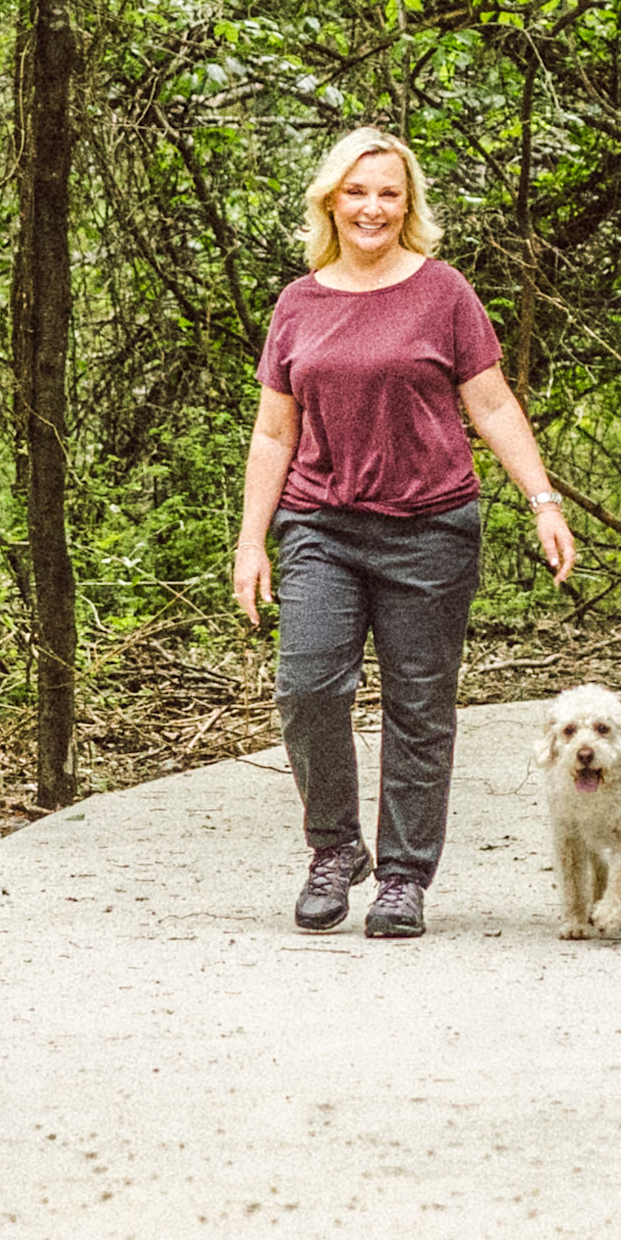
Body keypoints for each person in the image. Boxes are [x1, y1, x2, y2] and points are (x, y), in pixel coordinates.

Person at [233, 127, 577, 939]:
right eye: (357, 192)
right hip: (321, 523)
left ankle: (402, 875)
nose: (372, 208)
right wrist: (253, 542)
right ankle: (334, 848)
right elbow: (274, 433)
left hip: (430, 529)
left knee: (419, 706)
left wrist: (543, 500)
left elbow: (490, 404)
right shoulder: (299, 302)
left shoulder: (444, 293)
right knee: (308, 687)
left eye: (389, 193)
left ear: (408, 205)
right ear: (330, 201)